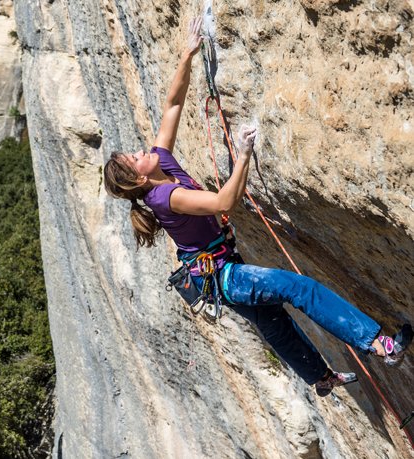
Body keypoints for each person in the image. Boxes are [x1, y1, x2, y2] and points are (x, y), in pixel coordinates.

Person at [103, 16, 412, 396]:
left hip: (216, 271)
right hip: (224, 277)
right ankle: (379, 345)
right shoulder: (165, 197)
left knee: (272, 321)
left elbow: (172, 105)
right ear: (138, 179)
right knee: (298, 288)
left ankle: (321, 378)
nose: (140, 150)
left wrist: (187, 53)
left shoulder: (160, 161)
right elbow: (224, 201)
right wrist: (244, 155)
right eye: (134, 158)